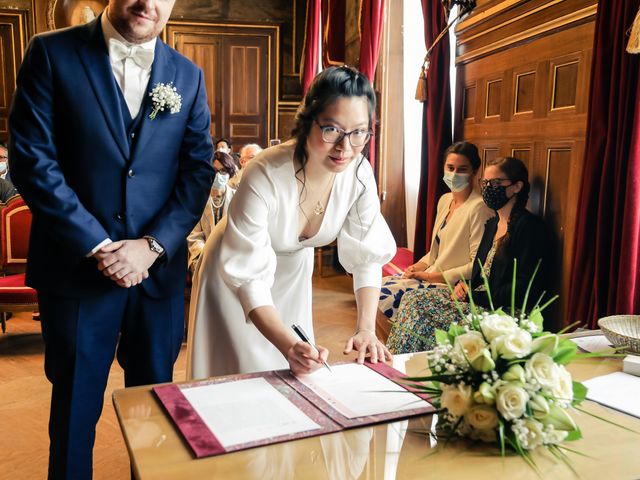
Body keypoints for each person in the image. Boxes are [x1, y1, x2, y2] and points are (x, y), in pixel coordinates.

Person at [8, 0, 215, 477]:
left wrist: (152, 246)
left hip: (156, 277)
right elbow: (33, 161)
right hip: (77, 271)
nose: (146, 3)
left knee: (154, 411)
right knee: (75, 413)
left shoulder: (187, 75)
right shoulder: (50, 53)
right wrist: (99, 246)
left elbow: (197, 170)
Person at [187, 66, 396, 378]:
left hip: (293, 275)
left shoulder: (359, 173)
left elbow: (367, 255)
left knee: (295, 374)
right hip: (234, 271)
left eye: (359, 133)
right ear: (307, 121)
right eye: (332, 130)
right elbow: (250, 279)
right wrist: (286, 345)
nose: (345, 148)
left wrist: (366, 329)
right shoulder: (264, 172)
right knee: (237, 374)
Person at [387, 156, 548, 353]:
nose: (489, 187)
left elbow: (523, 287)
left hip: (506, 312)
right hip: (481, 300)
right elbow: (482, 272)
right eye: (486, 182)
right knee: (413, 299)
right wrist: (464, 286)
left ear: (516, 187)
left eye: (496, 182)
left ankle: (421, 365)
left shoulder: (530, 227)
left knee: (422, 309)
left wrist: (475, 295)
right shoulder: (492, 224)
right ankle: (400, 363)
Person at [378, 141, 493, 321]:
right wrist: (417, 266)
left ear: (474, 171)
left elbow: (476, 265)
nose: (454, 174)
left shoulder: (479, 208)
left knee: (388, 295)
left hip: (451, 284)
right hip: (430, 275)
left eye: (462, 169)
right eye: (450, 167)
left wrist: (432, 276)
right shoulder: (445, 200)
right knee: (374, 287)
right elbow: (436, 252)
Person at [187, 172, 235, 273]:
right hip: (203, 258)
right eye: (215, 170)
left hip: (231, 259)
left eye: (223, 171)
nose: (218, 175)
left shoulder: (237, 197)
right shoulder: (198, 199)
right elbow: (194, 235)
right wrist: (207, 254)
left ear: (229, 173)